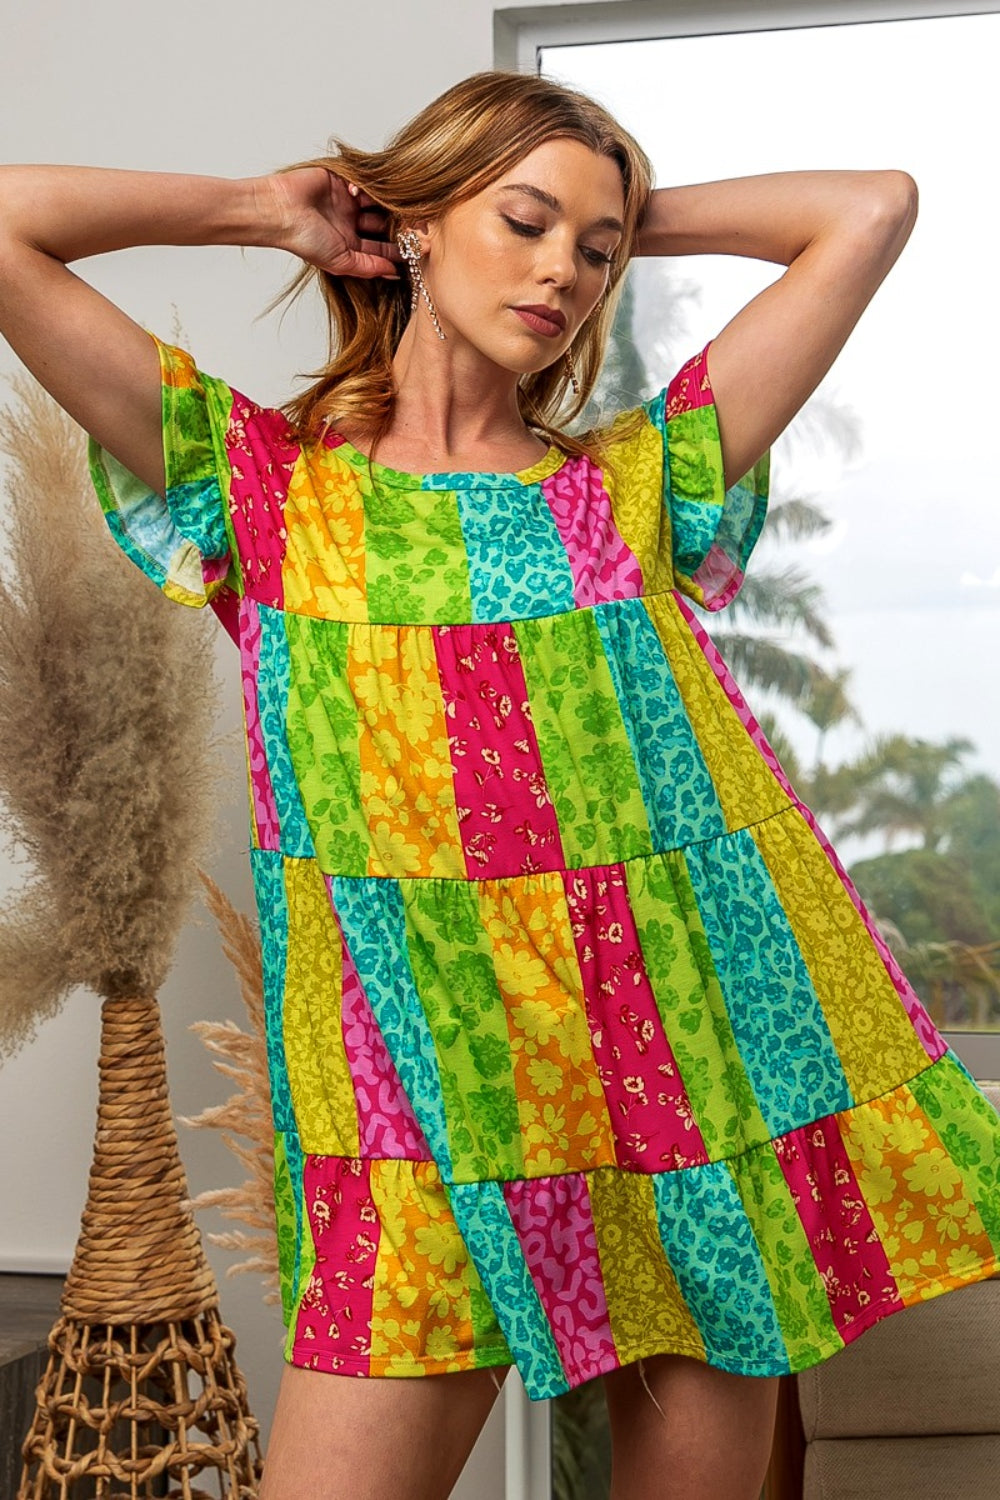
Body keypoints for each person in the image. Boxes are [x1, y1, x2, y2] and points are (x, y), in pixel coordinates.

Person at [2, 67, 998, 1500]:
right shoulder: (266, 489)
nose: (565, 275)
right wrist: (268, 210)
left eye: (596, 254)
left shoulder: (634, 489)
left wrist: (608, 212)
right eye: (523, 224)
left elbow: (870, 209)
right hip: (413, 1122)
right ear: (409, 225)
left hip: (682, 1099)